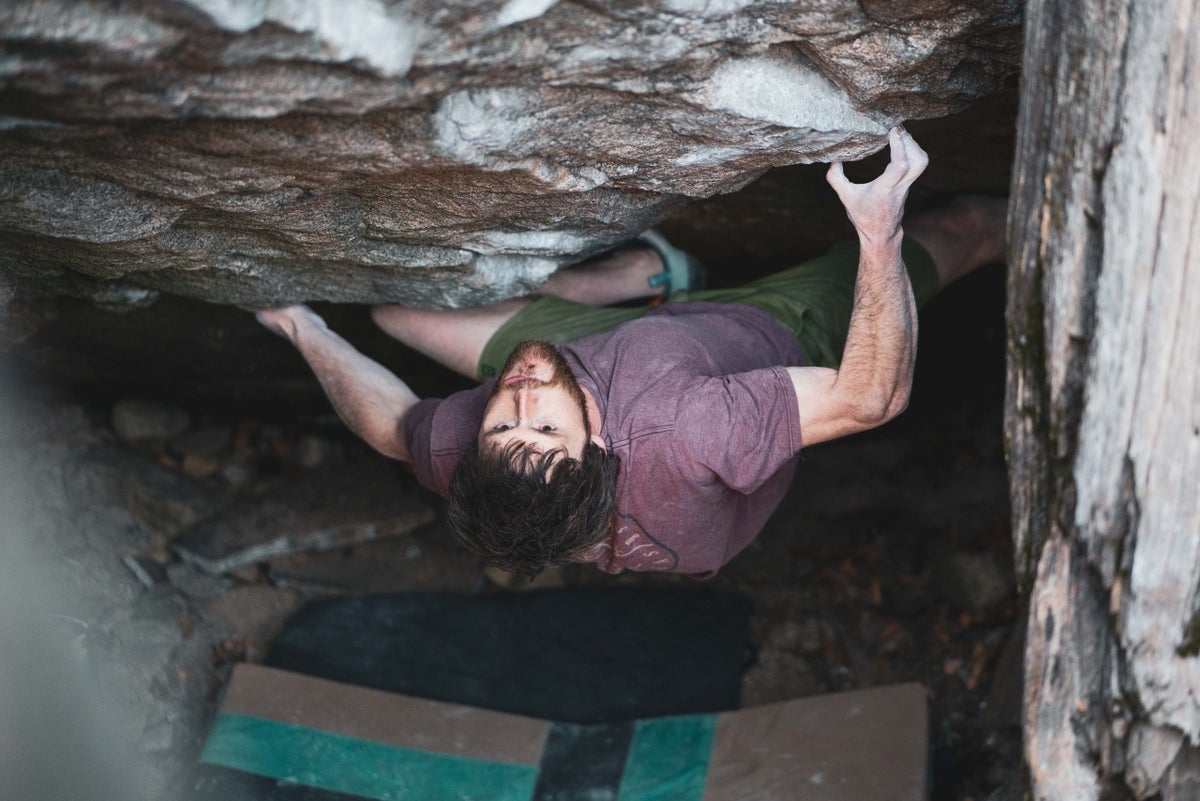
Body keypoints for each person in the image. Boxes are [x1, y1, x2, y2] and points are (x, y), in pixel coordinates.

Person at [254, 128, 1005, 578]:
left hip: (612, 356)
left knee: (396, 309)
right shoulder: (684, 428)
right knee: (968, 225)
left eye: (500, 425)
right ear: (601, 440)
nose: (517, 400)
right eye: (544, 427)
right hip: (764, 331)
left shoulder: (487, 450)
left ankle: (653, 277)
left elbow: (390, 427)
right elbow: (866, 398)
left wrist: (300, 328)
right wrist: (880, 235)